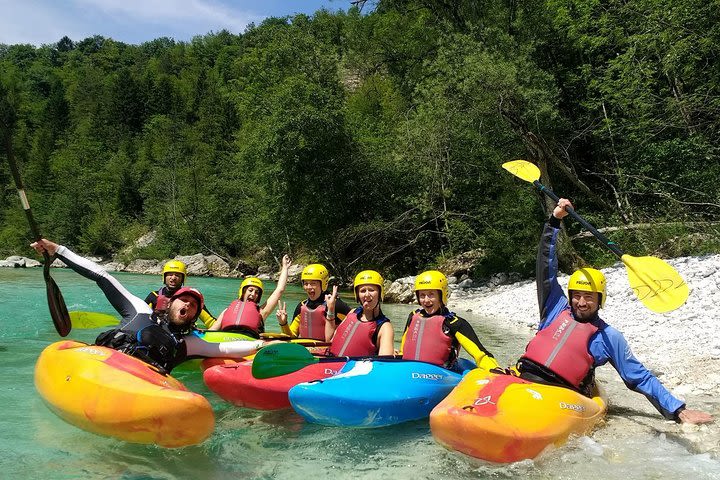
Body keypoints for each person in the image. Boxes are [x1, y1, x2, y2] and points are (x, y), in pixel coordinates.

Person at [515, 198, 713, 424]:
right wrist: (554, 221)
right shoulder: (554, 308)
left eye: (589, 297)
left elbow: (638, 377)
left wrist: (678, 411)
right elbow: (545, 265)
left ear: (600, 300)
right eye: (576, 296)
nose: (581, 302)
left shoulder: (608, 337)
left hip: (561, 395)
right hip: (524, 378)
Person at [31, 239, 268, 374]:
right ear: (171, 302)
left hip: (144, 379)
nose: (188, 305)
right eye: (184, 300)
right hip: (105, 363)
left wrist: (263, 344)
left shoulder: (188, 344)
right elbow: (102, 276)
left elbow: (226, 349)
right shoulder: (139, 310)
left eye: (194, 306)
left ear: (194, 316)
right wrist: (58, 250)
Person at [399, 270, 499, 371]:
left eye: (431, 294)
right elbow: (403, 348)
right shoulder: (413, 316)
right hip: (409, 371)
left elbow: (479, 353)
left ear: (441, 295)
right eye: (422, 295)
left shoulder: (454, 323)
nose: (426, 300)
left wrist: (494, 368)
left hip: (442, 374)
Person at [208, 255, 292, 338]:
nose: (253, 294)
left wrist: (285, 267)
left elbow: (279, 290)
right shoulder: (227, 311)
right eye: (250, 290)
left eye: (257, 292)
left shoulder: (261, 312)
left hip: (250, 345)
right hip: (228, 343)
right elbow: (212, 330)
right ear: (243, 292)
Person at [323, 270, 395, 356]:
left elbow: (384, 365)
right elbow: (329, 340)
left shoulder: (385, 328)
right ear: (357, 295)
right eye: (363, 291)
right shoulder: (352, 312)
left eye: (371, 290)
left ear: (380, 293)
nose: (367, 295)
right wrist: (331, 308)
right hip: (332, 366)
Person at [279, 263, 351, 340]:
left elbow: (354, 326)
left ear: (323, 284)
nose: (308, 287)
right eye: (306, 283)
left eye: (313, 283)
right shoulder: (301, 306)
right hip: (306, 350)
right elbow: (292, 336)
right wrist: (283, 323)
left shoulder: (336, 305)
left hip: (329, 350)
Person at [145, 259, 217, 329]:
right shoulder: (154, 296)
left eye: (177, 275)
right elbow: (142, 316)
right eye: (170, 274)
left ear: (183, 279)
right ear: (164, 277)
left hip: (185, 335)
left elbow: (210, 322)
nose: (173, 278)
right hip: (159, 334)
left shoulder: (191, 299)